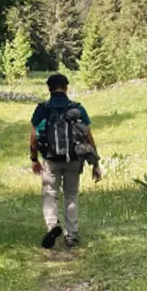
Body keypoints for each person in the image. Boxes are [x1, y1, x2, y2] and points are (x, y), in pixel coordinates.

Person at [30, 73, 102, 249]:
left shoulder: (43, 109)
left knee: (50, 194)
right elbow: (88, 136)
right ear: (66, 87)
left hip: (51, 159)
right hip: (74, 159)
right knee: (71, 195)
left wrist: (34, 159)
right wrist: (95, 163)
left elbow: (33, 137)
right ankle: (72, 235)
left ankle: (53, 226)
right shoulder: (77, 108)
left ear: (49, 88)